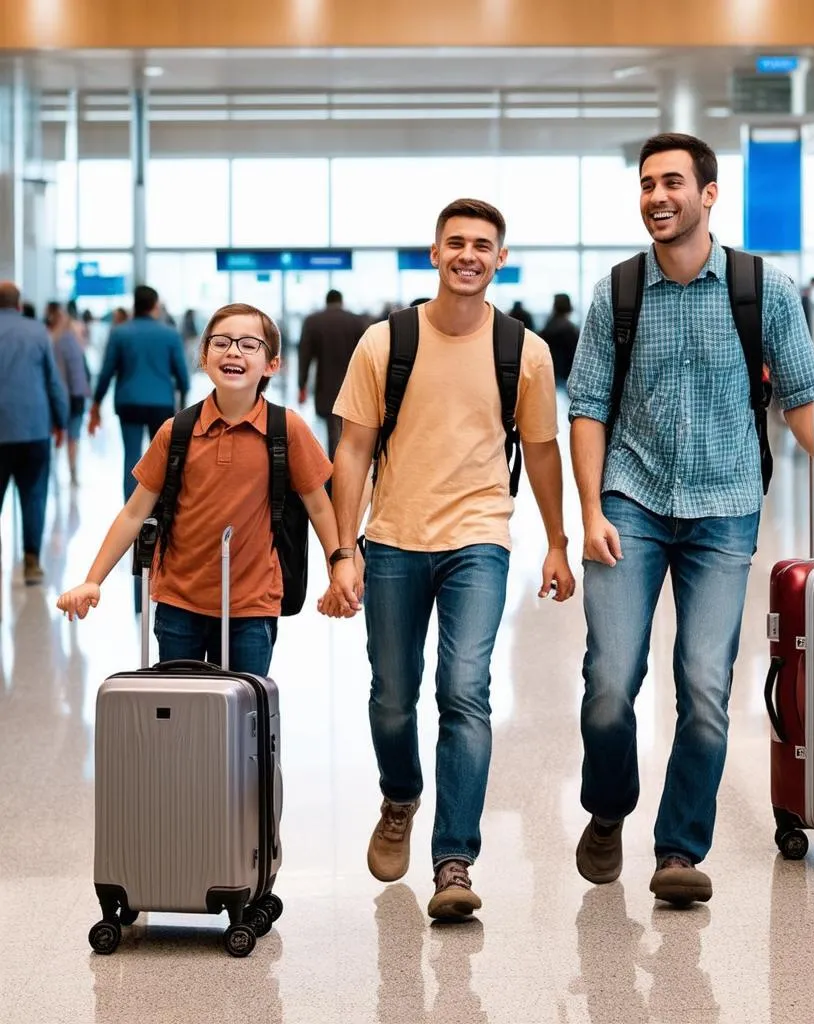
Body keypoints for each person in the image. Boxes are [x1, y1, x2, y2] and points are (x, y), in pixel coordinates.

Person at [567, 133, 814, 907]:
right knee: (611, 683)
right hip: (631, 500)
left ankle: (680, 849)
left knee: (706, 688)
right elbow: (587, 408)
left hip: (724, 510)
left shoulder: (763, 288)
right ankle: (609, 807)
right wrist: (589, 510)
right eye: (648, 184)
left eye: (673, 183)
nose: (657, 196)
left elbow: (801, 396)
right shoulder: (617, 292)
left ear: (709, 194)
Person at [330, 198, 576, 921]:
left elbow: (540, 451)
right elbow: (352, 450)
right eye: (456, 242)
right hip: (395, 539)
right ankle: (401, 795)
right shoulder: (385, 342)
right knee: (392, 694)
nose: (469, 254)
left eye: (483, 245)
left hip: (480, 537)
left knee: (465, 689)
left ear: (501, 259)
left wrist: (558, 542)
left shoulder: (523, 351)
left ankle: (454, 859)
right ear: (434, 254)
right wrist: (345, 550)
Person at [56, 303, 347, 673]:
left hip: (252, 607)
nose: (233, 351)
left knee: (244, 717)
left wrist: (340, 565)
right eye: (221, 342)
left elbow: (319, 506)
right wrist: (92, 581)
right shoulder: (177, 431)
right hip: (180, 604)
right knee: (184, 720)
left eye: (248, 344)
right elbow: (134, 511)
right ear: (204, 358)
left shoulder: (286, 430)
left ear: (272, 364)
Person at [90, 285, 192, 503]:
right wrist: (183, 404)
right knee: (163, 457)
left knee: (132, 456)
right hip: (162, 404)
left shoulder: (120, 333)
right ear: (155, 306)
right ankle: (162, 505)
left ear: (134, 305)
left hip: (129, 402)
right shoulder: (170, 334)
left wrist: (96, 403)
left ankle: (131, 509)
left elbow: (107, 371)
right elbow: (183, 376)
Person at [0, 282, 69, 584]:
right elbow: (53, 381)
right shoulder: (37, 332)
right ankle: (31, 562)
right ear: (18, 304)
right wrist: (61, 421)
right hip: (34, 427)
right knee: (34, 495)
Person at [297, 289, 367, 461]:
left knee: (333, 432)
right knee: (351, 429)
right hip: (354, 385)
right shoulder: (357, 321)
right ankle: (349, 468)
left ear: (326, 302)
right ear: (341, 302)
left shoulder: (313, 321)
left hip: (326, 386)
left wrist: (302, 386)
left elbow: (304, 356)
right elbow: (368, 355)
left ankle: (336, 471)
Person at [47, 303, 91, 486]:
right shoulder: (73, 341)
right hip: (76, 395)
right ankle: (72, 473)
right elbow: (81, 372)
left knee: (59, 433)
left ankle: (57, 472)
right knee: (74, 436)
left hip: (62, 395)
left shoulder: (53, 341)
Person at [540, 293, 580, 386]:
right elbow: (574, 353)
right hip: (565, 373)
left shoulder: (548, 325)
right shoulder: (570, 328)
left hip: (549, 370)